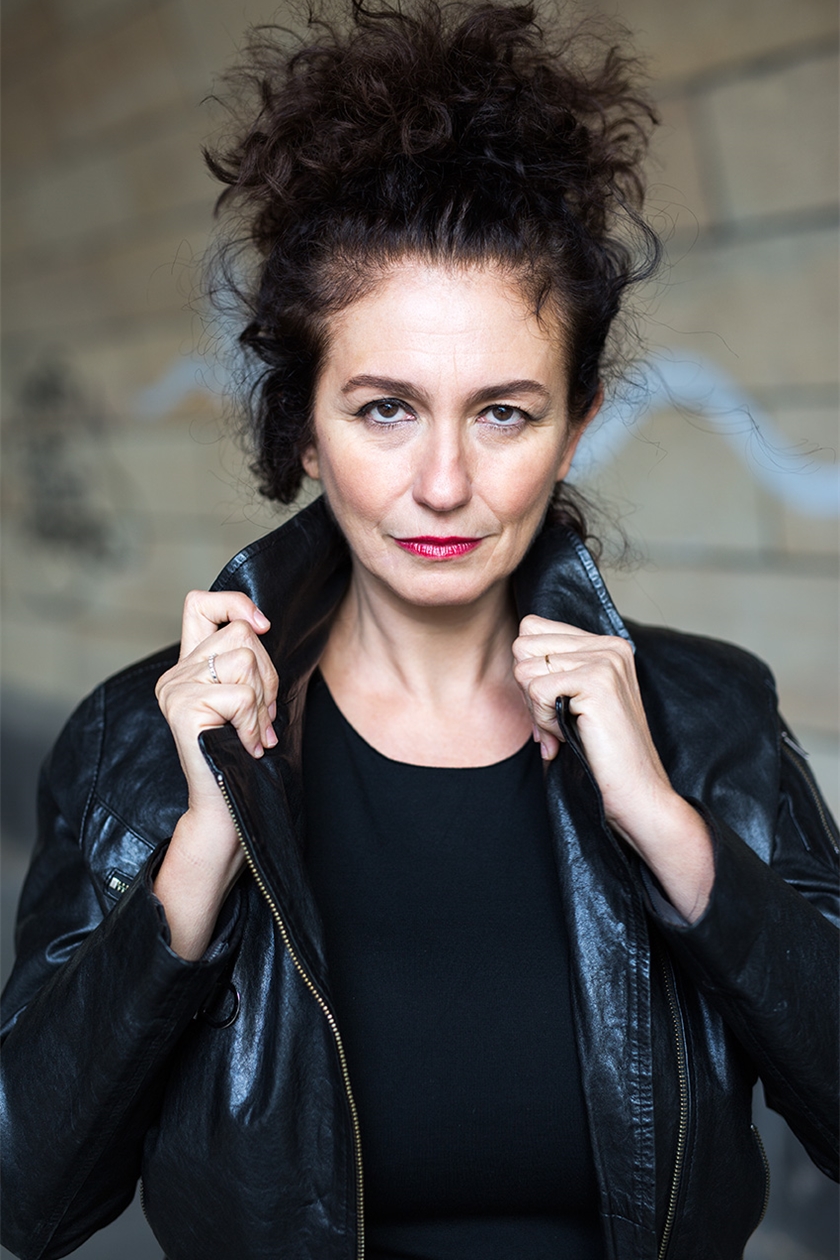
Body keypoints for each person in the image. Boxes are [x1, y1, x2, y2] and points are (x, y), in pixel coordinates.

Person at [2, 3, 837, 1258]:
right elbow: (29, 1194)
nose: (443, 484)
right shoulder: (139, 740)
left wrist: (671, 829)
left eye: (504, 413)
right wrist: (202, 847)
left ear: (576, 427)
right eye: (385, 409)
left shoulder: (709, 718)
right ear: (303, 427)